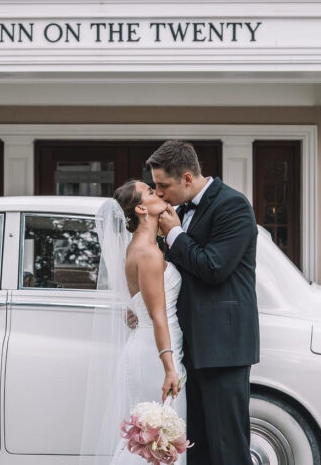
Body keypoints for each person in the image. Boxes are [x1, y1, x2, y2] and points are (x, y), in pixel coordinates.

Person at [146, 140, 260, 465]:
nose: (159, 193)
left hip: (223, 349)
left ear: (186, 178)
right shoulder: (179, 212)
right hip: (190, 348)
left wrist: (175, 235)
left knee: (228, 449)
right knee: (197, 450)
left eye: (163, 185)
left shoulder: (233, 205)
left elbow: (213, 268)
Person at [102, 179, 187, 465]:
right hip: (156, 356)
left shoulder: (141, 247)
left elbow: (141, 305)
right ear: (141, 208)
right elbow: (157, 316)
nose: (158, 192)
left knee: (153, 443)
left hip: (153, 347)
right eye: (150, 192)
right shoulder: (148, 253)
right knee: (154, 442)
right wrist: (169, 368)